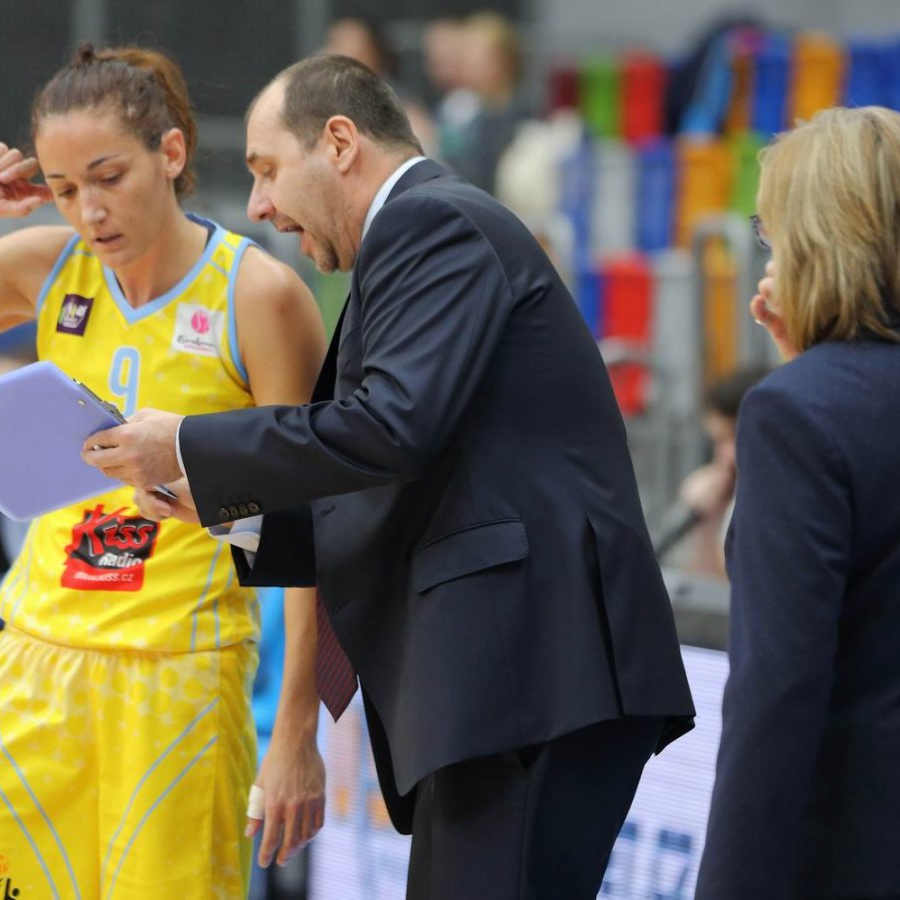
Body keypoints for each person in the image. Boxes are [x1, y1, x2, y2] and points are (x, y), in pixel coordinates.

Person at [84, 54, 696, 900]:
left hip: (531, 673)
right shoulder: (425, 231)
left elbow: (388, 430)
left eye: (267, 170)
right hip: (515, 681)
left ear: (339, 142)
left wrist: (190, 441)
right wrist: (233, 513)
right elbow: (398, 468)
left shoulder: (429, 220)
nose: (258, 205)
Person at [0, 44, 327, 898]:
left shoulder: (258, 296)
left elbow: (311, 524)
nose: (88, 211)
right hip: (37, 660)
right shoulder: (46, 268)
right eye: (62, 189)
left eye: (107, 177)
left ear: (171, 153)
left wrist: (297, 727)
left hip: (179, 672)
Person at [694, 106, 900, 899]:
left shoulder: (796, 414)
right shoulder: (810, 403)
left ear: (815, 244)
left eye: (772, 239)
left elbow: (776, 696)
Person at [654, 365, 769, 576]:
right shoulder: (711, 493)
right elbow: (698, 584)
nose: (726, 455)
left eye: (732, 437)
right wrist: (706, 526)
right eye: (717, 442)